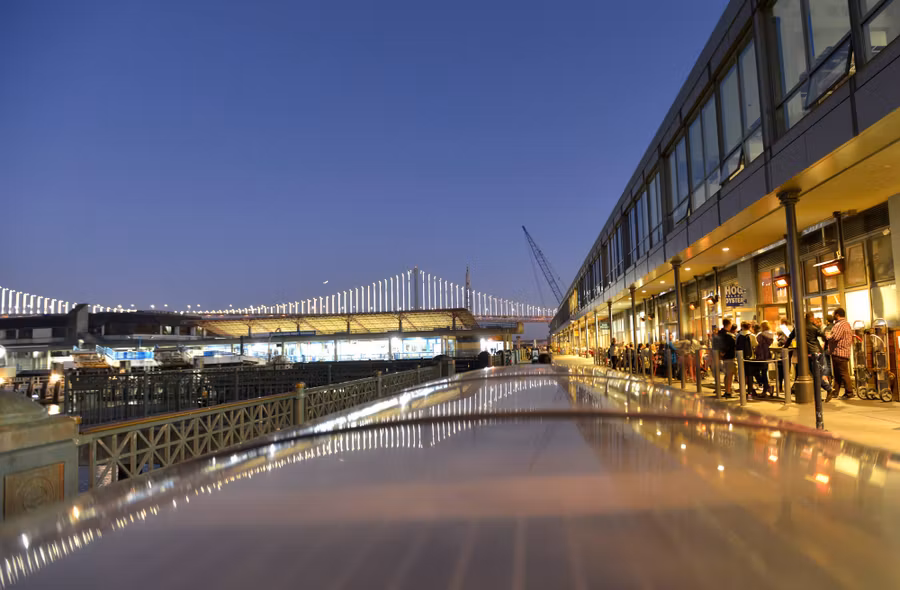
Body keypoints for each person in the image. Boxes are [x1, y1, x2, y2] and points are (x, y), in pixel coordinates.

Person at [826, 308, 855, 400]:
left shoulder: (839, 325)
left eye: (834, 314)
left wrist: (828, 336)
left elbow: (835, 337)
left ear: (837, 315)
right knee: (838, 374)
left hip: (839, 352)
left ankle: (849, 392)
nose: (833, 316)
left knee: (843, 373)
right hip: (844, 351)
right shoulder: (847, 324)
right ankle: (835, 392)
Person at [736, 321, 757, 395]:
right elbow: (755, 345)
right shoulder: (752, 335)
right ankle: (750, 389)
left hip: (740, 357)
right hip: (750, 357)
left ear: (742, 326)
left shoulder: (738, 335)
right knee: (750, 373)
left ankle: (742, 388)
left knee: (742, 373)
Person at [755, 321, 774, 396]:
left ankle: (766, 387)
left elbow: (757, 344)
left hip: (760, 355)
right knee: (764, 372)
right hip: (767, 354)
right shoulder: (771, 334)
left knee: (756, 372)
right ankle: (767, 387)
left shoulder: (760, 335)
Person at [718, 319, 737, 397]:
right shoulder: (729, 336)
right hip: (730, 356)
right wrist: (724, 351)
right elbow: (731, 345)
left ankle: (727, 391)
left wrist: (721, 353)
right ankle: (728, 392)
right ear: (729, 324)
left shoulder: (720, 334)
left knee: (727, 374)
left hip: (724, 357)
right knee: (730, 374)